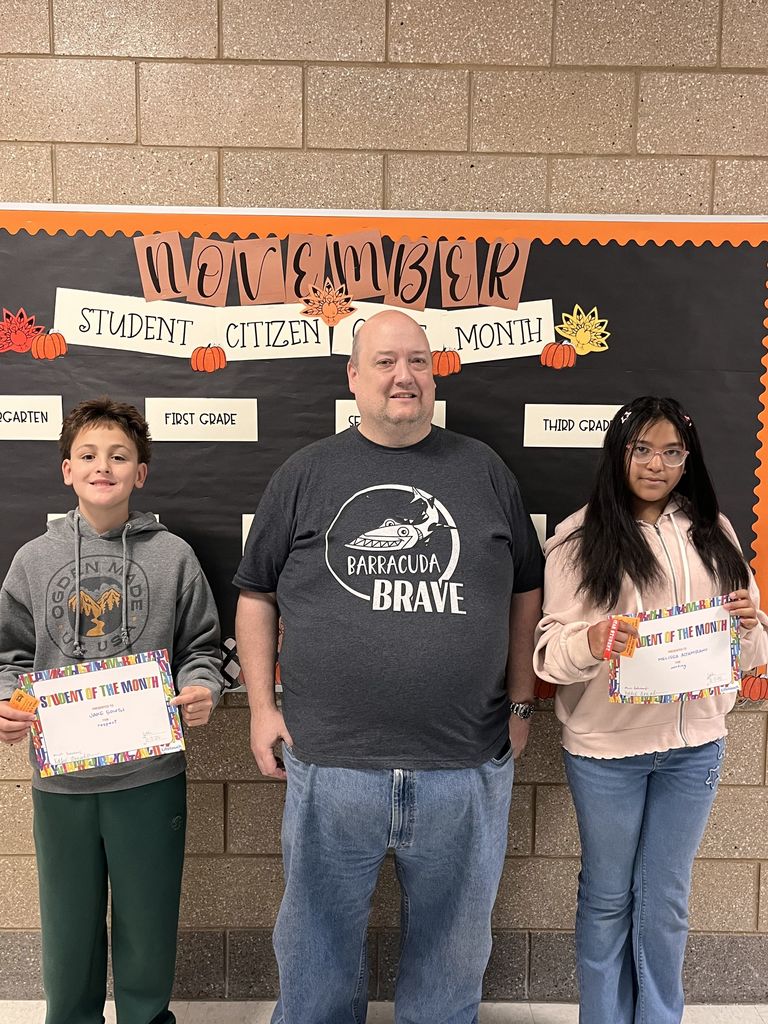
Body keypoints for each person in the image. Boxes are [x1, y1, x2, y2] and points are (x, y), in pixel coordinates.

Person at [234, 308, 543, 1024]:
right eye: (384, 361)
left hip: (464, 767)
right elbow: (255, 594)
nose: (403, 376)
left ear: (433, 376)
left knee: (451, 962)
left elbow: (527, 589)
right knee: (314, 958)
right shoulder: (307, 472)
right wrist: (259, 707)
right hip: (332, 766)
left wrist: (522, 702)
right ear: (353, 376)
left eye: (417, 362)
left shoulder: (484, 470)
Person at [534, 396, 768, 1024]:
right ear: (619, 451)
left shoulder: (714, 532)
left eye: (671, 452)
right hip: (607, 755)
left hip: (694, 752)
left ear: (687, 460)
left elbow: (751, 653)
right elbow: (548, 657)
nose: (656, 464)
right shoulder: (580, 539)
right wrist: (592, 641)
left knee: (666, 902)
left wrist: (749, 627)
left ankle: (660, 1018)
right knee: (608, 898)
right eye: (642, 449)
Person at [0, 397, 223, 1024]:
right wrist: (6, 702)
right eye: (89, 455)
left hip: (149, 776)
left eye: (120, 456)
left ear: (141, 472)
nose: (105, 466)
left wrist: (202, 686)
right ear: (66, 470)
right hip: (61, 780)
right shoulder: (33, 560)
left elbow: (202, 648)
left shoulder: (173, 556)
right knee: (67, 927)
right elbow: (10, 655)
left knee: (148, 922)